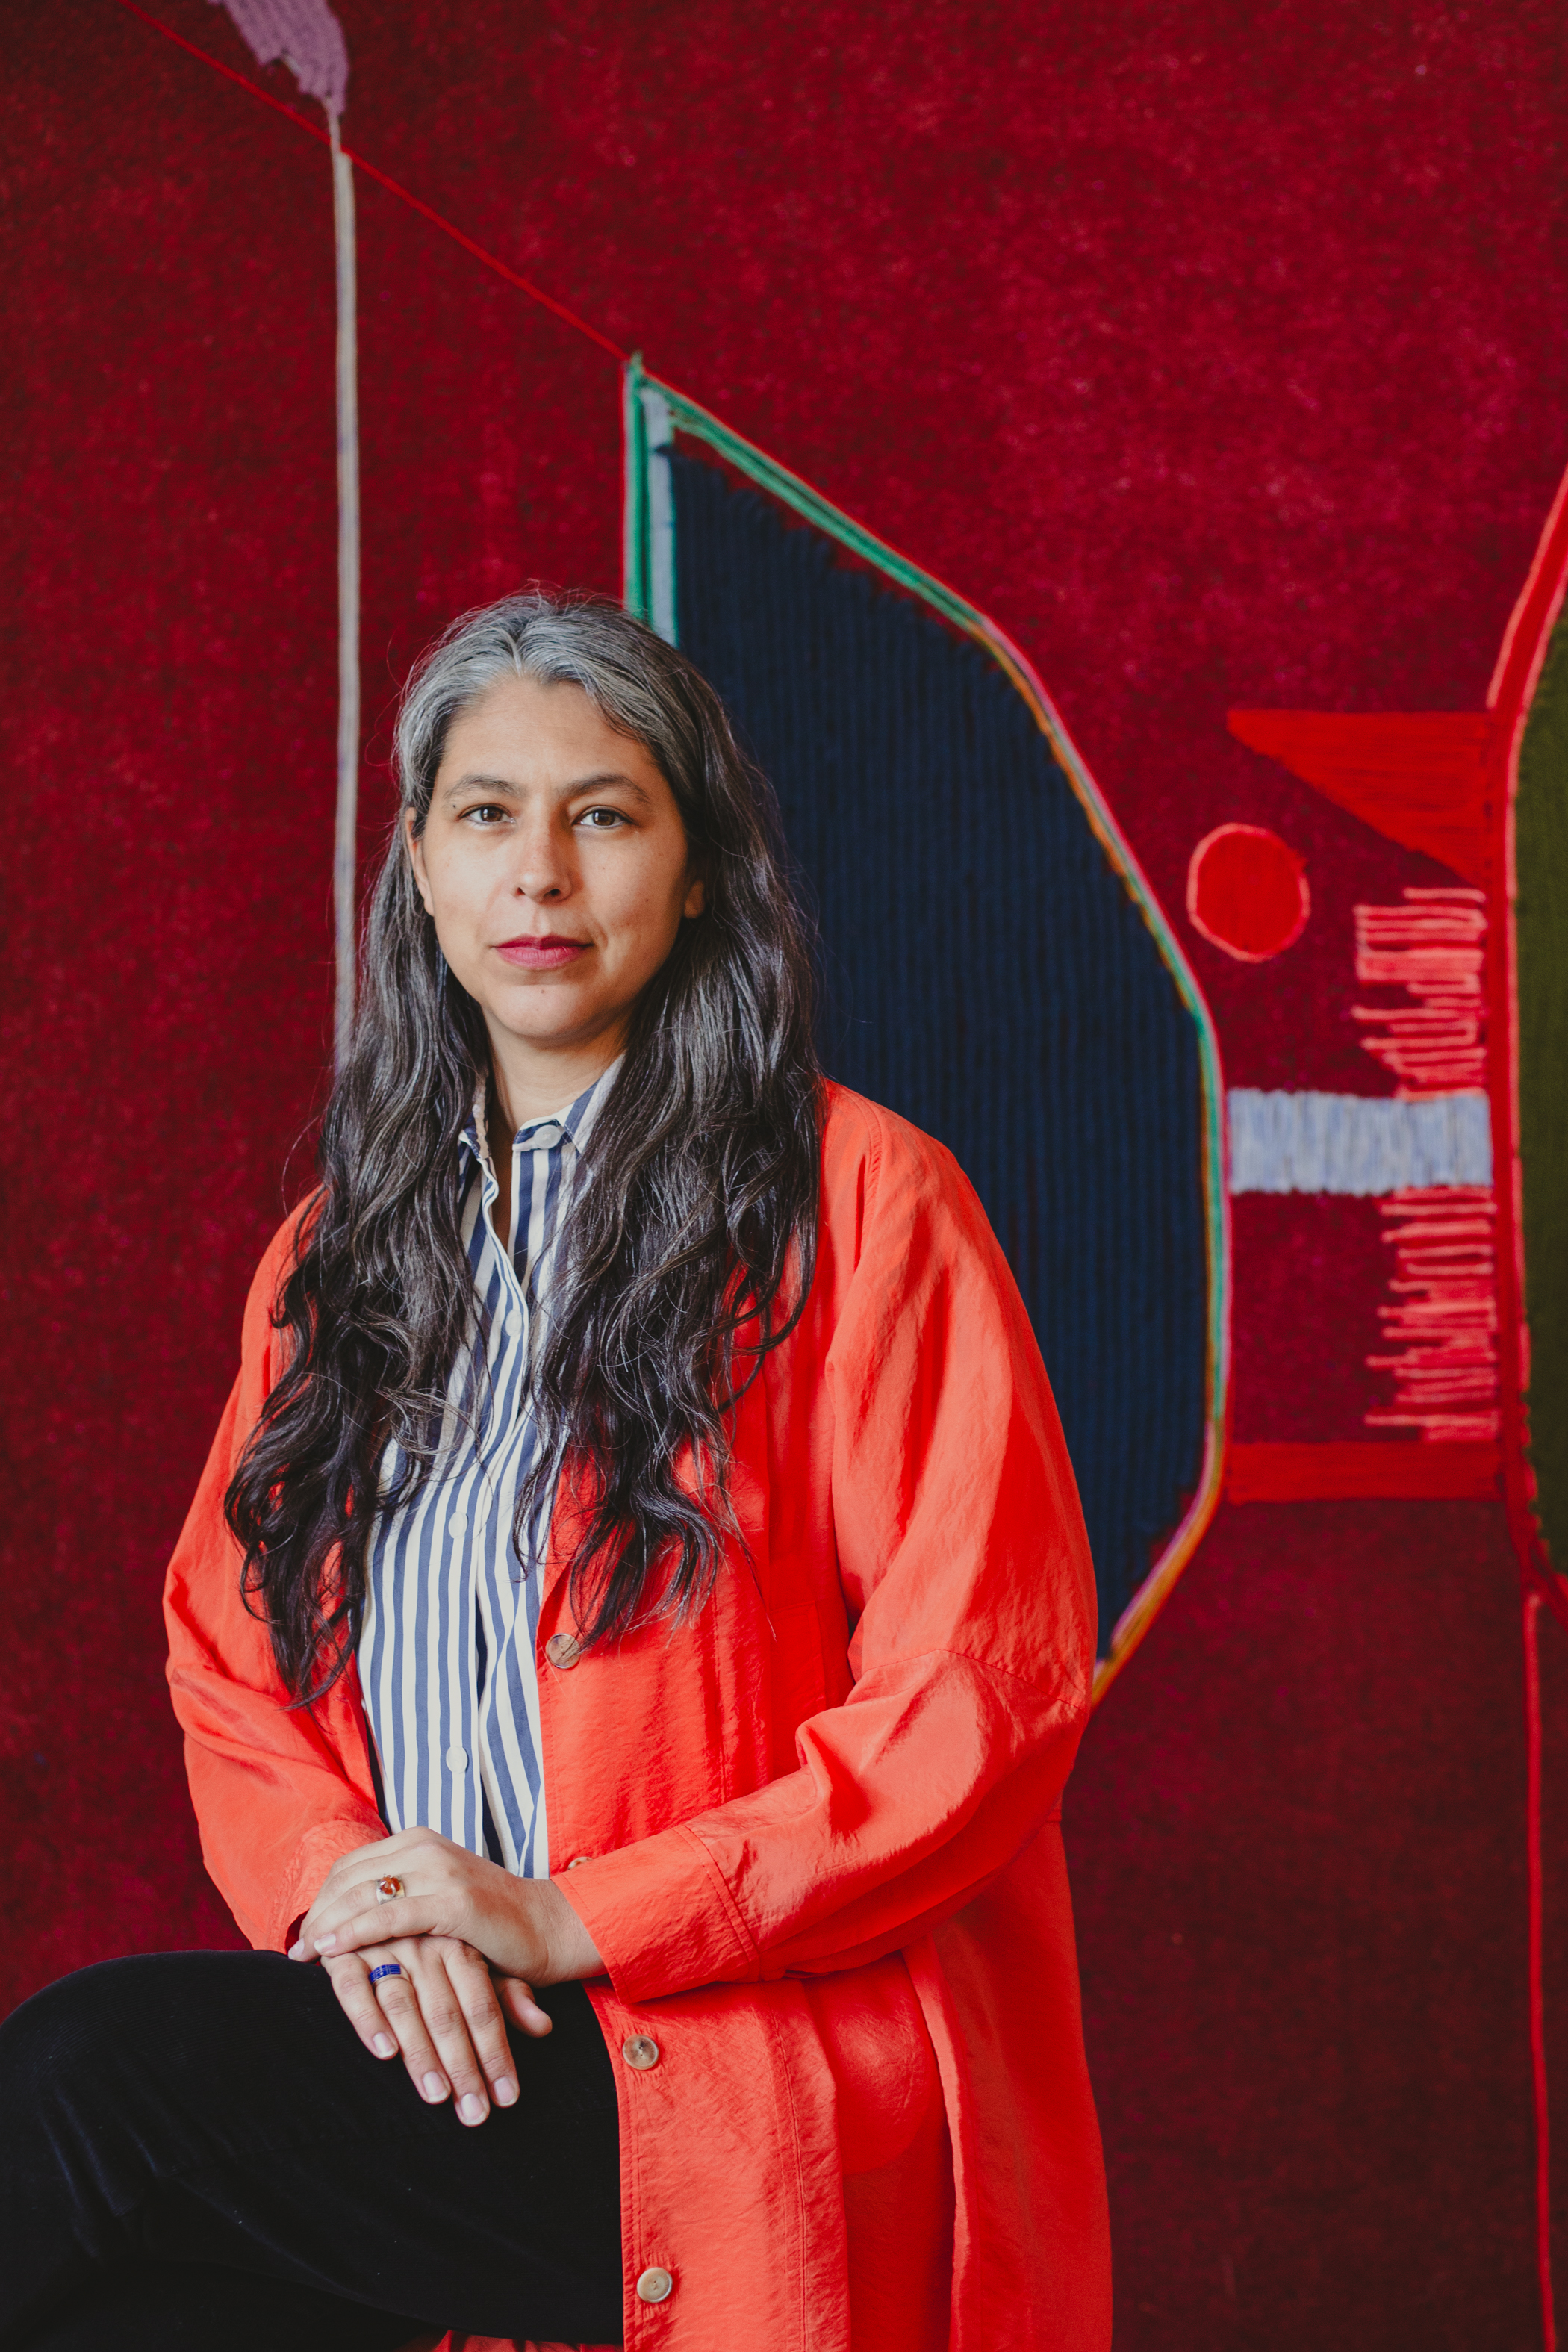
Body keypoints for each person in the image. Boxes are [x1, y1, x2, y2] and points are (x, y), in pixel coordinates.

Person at [0, 594, 1110, 2352]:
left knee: (79, 2090)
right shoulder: (335, 1258)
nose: (541, 872)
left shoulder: (864, 1203)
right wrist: (359, 1908)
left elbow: (979, 1703)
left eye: (604, 815)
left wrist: (558, 1918)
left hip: (733, 2054)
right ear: (424, 877)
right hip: (436, 2039)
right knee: (128, 2296)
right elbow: (227, 1666)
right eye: (486, 815)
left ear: (691, 874)